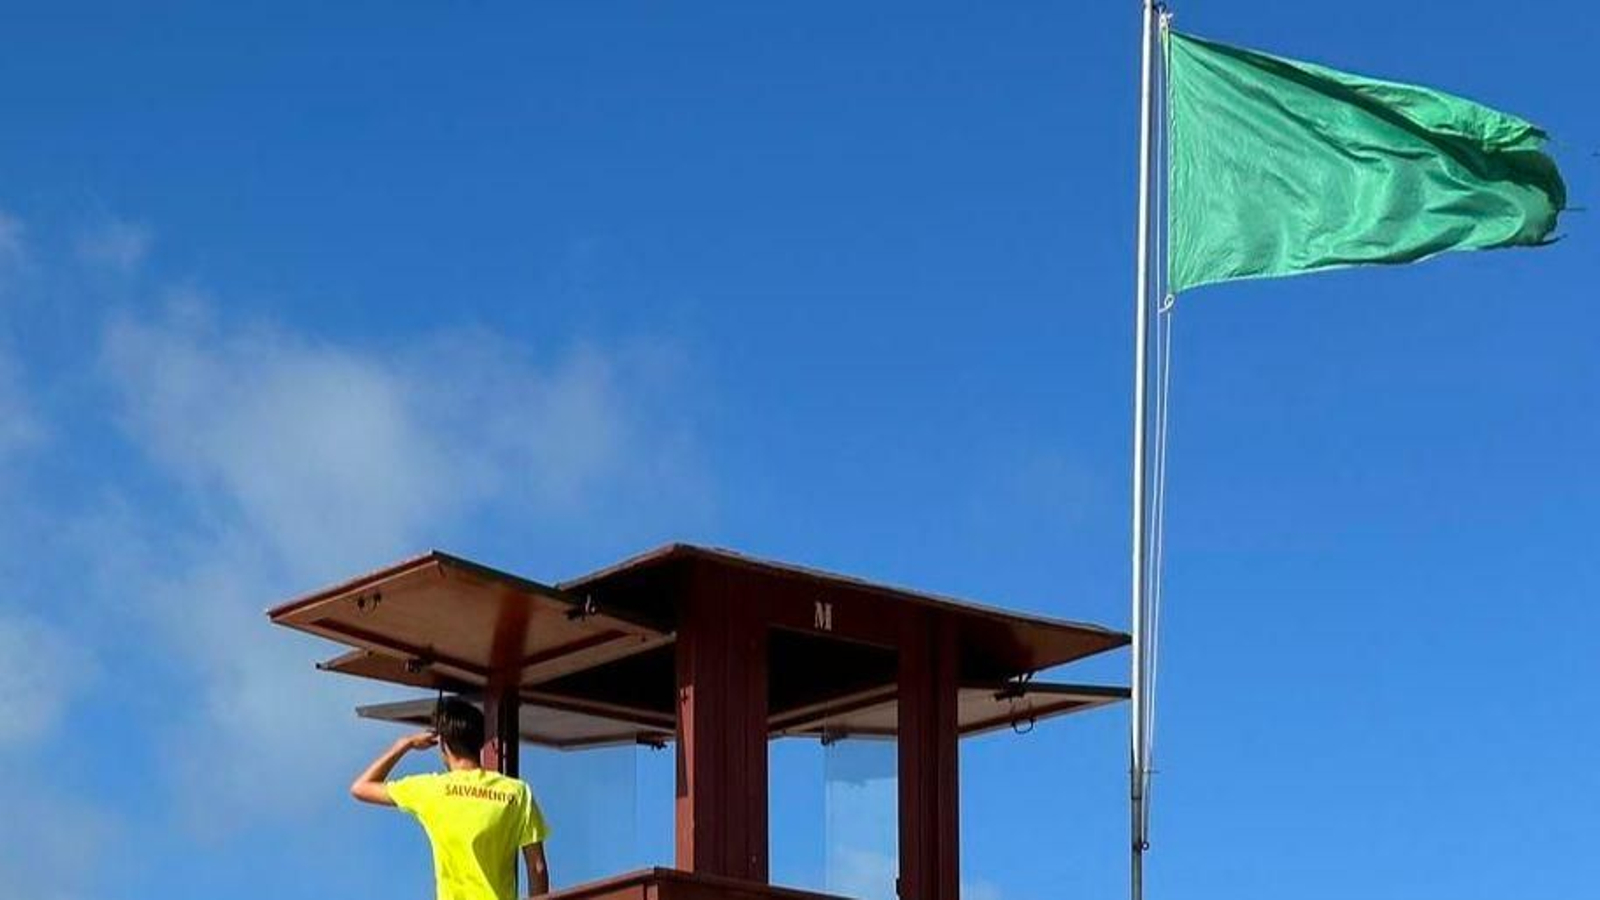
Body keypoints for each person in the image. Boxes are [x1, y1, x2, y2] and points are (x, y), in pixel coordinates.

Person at [351, 697, 551, 900]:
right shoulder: (516, 792)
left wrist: (404, 744)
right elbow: (537, 868)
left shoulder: (430, 789)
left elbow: (361, 787)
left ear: (443, 743)